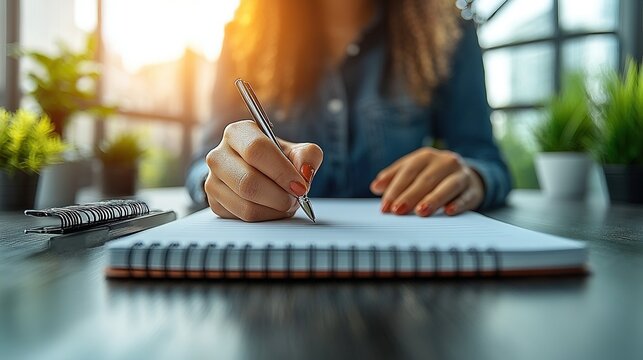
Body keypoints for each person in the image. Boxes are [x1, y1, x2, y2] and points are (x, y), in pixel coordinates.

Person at [186, 0, 512, 222]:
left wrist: (471, 176)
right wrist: (224, 179)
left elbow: (485, 159)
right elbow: (205, 160)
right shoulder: (243, 36)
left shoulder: (449, 33)